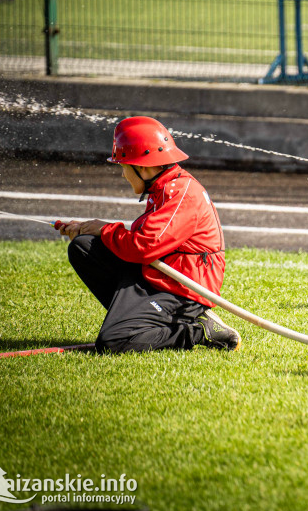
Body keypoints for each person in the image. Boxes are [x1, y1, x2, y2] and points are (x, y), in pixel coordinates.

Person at [56, 116, 241, 353]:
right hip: (158, 275)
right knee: (83, 247)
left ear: (142, 167)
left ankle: (197, 330)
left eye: (124, 166)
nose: (123, 174)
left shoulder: (181, 193)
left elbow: (145, 246)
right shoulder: (163, 186)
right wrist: (97, 229)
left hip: (181, 290)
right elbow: (146, 239)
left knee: (113, 341)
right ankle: (140, 320)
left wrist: (105, 229)